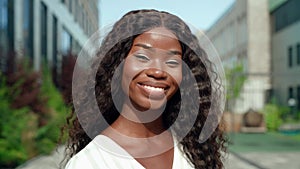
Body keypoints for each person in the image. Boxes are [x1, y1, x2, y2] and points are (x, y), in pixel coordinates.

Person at [62, 9, 227, 169]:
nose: (157, 71)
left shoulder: (192, 148)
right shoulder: (90, 162)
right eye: (142, 57)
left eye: (172, 62)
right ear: (116, 66)